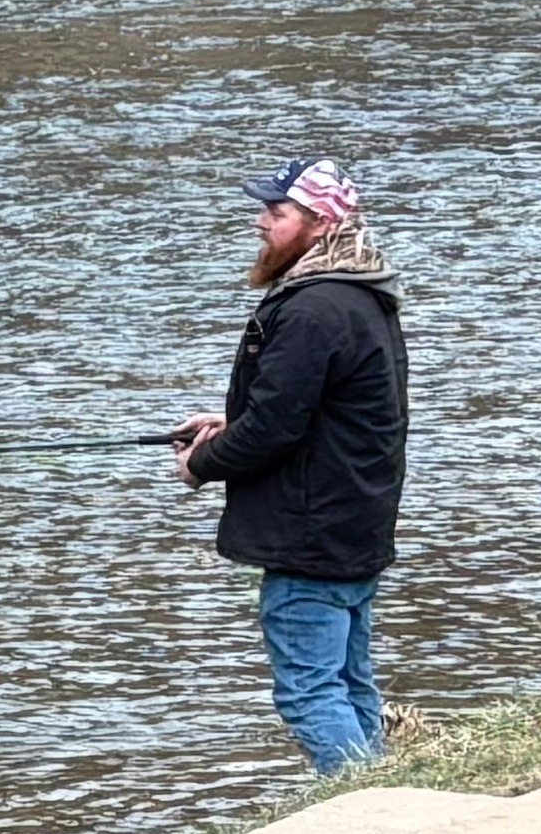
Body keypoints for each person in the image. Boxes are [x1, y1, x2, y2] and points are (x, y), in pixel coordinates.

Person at [168, 156, 409, 776]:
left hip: (311, 537)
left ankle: (362, 808)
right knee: (350, 682)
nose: (261, 223)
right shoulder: (362, 295)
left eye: (276, 214)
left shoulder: (311, 308)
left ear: (319, 224)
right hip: (353, 523)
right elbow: (316, 410)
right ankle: (380, 790)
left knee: (308, 692)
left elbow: (277, 426)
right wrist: (230, 422)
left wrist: (203, 464)